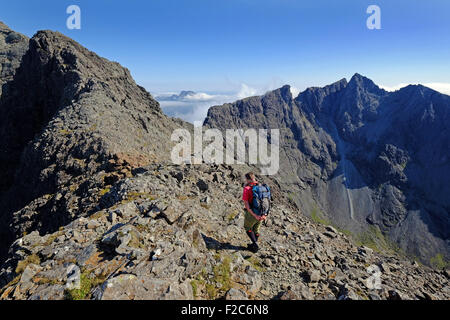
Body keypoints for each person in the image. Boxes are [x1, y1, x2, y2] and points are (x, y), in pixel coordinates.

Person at [242, 172, 267, 253]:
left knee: (248, 228)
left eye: (246, 179)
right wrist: (264, 214)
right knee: (256, 229)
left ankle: (255, 244)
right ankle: (253, 245)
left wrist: (254, 214)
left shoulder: (247, 189)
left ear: (248, 179)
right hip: (262, 213)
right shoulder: (262, 187)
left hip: (253, 213)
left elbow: (246, 204)